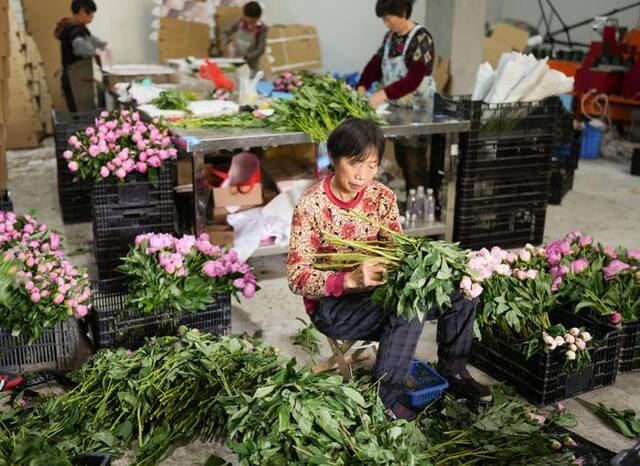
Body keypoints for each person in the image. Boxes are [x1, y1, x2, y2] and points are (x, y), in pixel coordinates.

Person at [287, 118, 491, 421]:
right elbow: (296, 278)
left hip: (382, 289)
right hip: (335, 306)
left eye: (371, 165)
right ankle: (388, 396)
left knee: (463, 290)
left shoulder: (381, 196)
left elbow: (398, 248)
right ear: (333, 157)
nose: (362, 176)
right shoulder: (312, 206)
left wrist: (420, 264)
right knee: (410, 307)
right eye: (355, 164)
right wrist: (348, 280)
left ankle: (454, 369)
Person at [357, 0, 435, 197]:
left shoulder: (422, 38)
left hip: (418, 111)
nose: (386, 22)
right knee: (401, 157)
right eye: (383, 18)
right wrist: (362, 85)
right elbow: (375, 64)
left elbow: (413, 79)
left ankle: (420, 210)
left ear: (403, 12)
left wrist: (382, 94)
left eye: (388, 17)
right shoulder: (390, 38)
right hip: (398, 109)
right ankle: (410, 204)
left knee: (414, 165)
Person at [54, 0, 109, 112]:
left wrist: (104, 45)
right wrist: (96, 51)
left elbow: (91, 40)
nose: (93, 16)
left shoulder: (76, 26)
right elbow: (79, 46)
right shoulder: (75, 28)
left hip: (74, 79)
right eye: (91, 13)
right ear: (82, 11)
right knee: (83, 115)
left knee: (79, 113)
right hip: (76, 81)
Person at [222, 1, 268, 74]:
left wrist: (246, 57)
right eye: (248, 21)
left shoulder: (262, 29)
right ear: (244, 16)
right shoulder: (240, 23)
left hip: (251, 66)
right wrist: (229, 43)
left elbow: (261, 50)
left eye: (253, 22)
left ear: (258, 18)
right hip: (234, 61)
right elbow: (224, 33)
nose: (250, 25)